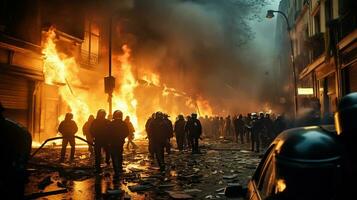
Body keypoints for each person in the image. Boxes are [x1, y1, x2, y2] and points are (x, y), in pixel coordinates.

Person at [0, 102, 32, 199]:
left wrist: (18, 170)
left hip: (10, 175)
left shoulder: (17, 131)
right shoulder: (19, 130)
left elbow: (21, 157)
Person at [108, 110, 129, 178]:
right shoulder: (123, 123)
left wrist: (110, 140)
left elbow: (108, 133)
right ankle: (119, 168)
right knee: (119, 154)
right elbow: (127, 132)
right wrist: (122, 137)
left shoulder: (111, 123)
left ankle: (116, 169)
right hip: (120, 142)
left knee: (114, 155)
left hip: (113, 142)